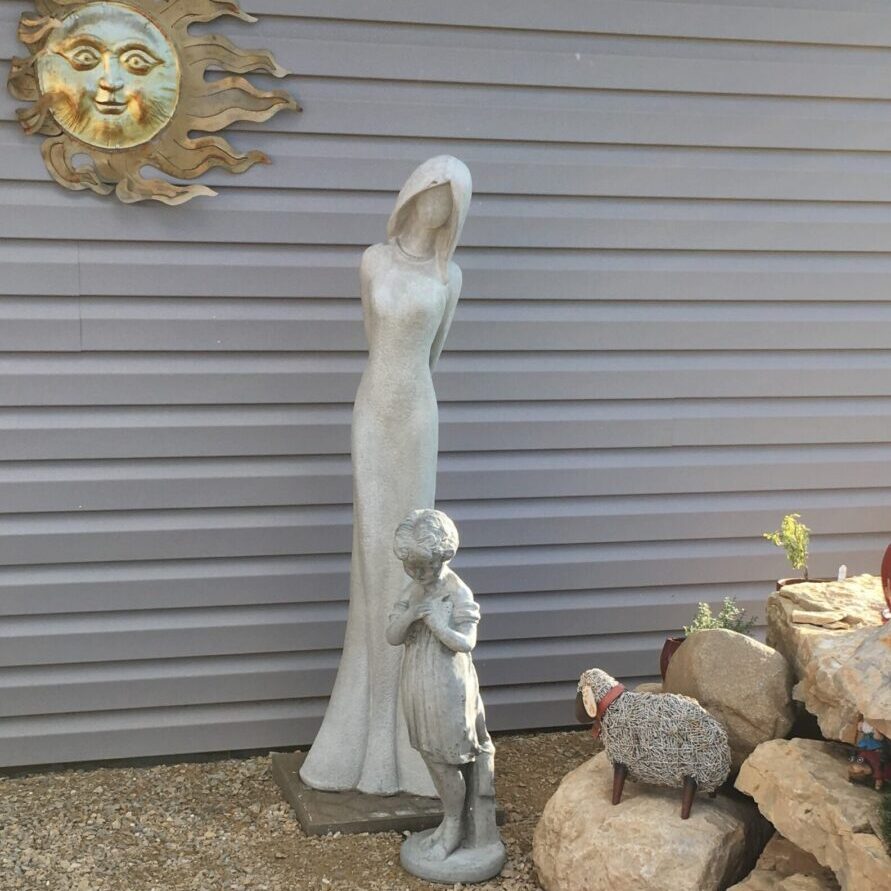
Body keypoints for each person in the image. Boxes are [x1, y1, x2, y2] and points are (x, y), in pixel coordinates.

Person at [299, 157, 472, 796]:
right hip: (374, 411)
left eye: (449, 202)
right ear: (411, 197)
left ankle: (407, 741)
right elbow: (379, 339)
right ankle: (365, 737)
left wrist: (407, 393)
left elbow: (433, 354)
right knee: (374, 560)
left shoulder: (449, 275)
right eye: (430, 195)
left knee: (415, 558)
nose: (436, 209)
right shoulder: (374, 260)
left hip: (418, 415)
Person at [386, 509, 495, 861]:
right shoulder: (413, 588)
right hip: (418, 678)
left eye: (424, 567)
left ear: (443, 557)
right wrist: (409, 615)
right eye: (411, 567)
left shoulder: (456, 590)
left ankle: (454, 826)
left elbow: (466, 642)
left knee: (449, 755)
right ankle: (451, 821)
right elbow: (392, 636)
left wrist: (437, 625)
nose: (417, 574)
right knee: (429, 752)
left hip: (448, 682)